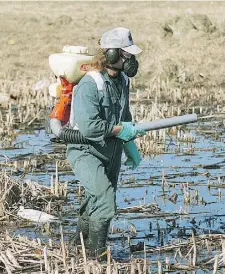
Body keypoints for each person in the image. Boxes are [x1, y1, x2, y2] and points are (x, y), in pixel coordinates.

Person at [67, 27, 145, 260]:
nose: (131, 60)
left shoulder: (121, 80)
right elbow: (90, 128)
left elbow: (124, 115)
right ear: (111, 54)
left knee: (95, 199)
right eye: (126, 55)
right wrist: (121, 130)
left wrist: (130, 145)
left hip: (111, 150)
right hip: (85, 150)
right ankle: (97, 256)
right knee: (104, 201)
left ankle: (77, 247)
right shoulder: (90, 84)